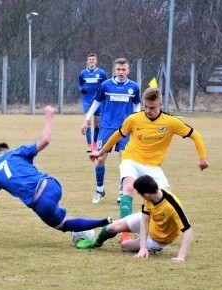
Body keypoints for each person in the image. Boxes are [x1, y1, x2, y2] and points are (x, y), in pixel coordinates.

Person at [0, 105, 112, 236]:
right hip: (52, 185)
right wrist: (48, 117)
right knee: (55, 208)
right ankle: (106, 221)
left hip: (40, 202)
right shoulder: (16, 152)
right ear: (8, 150)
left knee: (63, 225)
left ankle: (104, 222)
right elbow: (45, 140)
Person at [89, 87, 208, 242]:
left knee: (167, 198)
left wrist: (202, 158)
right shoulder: (134, 119)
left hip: (153, 167)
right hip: (131, 158)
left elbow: (196, 135)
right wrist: (101, 151)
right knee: (129, 187)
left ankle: (161, 234)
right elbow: (118, 134)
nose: (148, 110)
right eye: (145, 107)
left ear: (161, 105)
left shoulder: (170, 122)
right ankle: (126, 235)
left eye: (152, 107)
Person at [76, 175, 194, 262]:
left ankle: (148, 245)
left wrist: (181, 256)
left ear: (146, 194)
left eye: (140, 194)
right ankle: (96, 242)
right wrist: (143, 247)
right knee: (112, 227)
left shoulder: (172, 206)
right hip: (151, 220)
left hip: (158, 238)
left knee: (124, 246)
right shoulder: (149, 197)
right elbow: (144, 221)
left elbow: (188, 231)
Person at [80, 58, 141, 204]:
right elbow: (96, 103)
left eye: (123, 69)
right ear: (114, 70)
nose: (121, 72)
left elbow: (137, 106)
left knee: (124, 161)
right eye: (118, 69)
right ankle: (100, 190)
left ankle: (122, 192)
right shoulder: (106, 85)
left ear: (128, 71)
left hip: (125, 129)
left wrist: (137, 123)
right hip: (106, 127)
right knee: (100, 158)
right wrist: (87, 119)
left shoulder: (134, 87)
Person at [78, 53, 108, 152]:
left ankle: (95, 144)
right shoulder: (83, 73)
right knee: (87, 122)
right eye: (89, 59)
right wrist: (81, 89)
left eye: (93, 59)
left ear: (96, 61)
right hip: (87, 100)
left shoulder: (101, 73)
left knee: (97, 124)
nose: (91, 61)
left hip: (98, 101)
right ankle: (89, 145)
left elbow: (106, 85)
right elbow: (79, 84)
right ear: (87, 61)